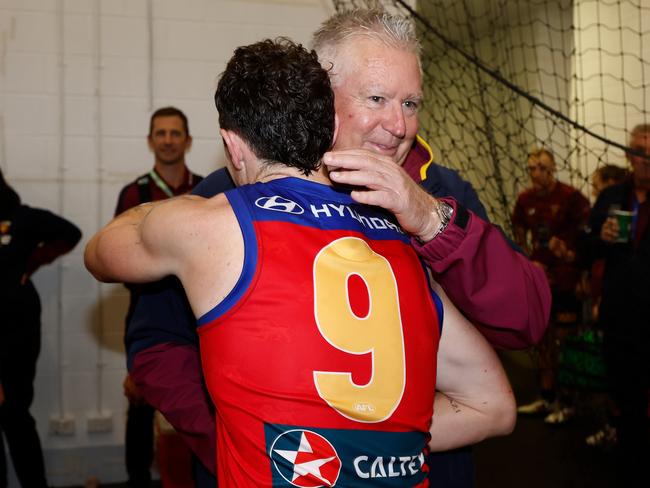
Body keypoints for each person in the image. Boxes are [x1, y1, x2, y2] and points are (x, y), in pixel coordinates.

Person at [126, 8, 550, 488]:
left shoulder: (441, 195)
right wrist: (246, 443)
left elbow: (528, 317)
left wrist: (432, 222)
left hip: (423, 469)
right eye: (377, 98)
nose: (398, 124)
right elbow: (156, 344)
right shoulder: (236, 197)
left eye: (411, 103)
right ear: (322, 99)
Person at [114, 106, 203, 488]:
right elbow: (120, 261)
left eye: (175, 133)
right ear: (151, 141)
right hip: (148, 319)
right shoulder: (133, 193)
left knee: (198, 416)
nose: (168, 140)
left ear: (188, 140)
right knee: (140, 408)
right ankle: (137, 480)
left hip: (202, 321)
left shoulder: (207, 189)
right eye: (161, 133)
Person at [0, 169, 82, 488]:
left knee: (14, 413)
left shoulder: (20, 217)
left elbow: (70, 232)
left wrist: (34, 261)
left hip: (16, 325)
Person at [582, 124, 650, 485]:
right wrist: (602, 238)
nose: (645, 159)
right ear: (628, 155)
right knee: (622, 386)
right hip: (620, 313)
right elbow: (586, 244)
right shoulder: (610, 199)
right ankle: (628, 452)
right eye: (639, 151)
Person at [512, 148, 590, 423]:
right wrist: (527, 264)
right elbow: (519, 235)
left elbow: (588, 240)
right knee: (543, 342)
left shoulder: (571, 198)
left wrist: (571, 257)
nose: (537, 174)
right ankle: (547, 398)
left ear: (554, 168)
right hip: (539, 280)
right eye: (532, 168)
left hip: (567, 280)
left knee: (566, 342)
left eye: (543, 168)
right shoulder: (525, 200)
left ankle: (569, 402)